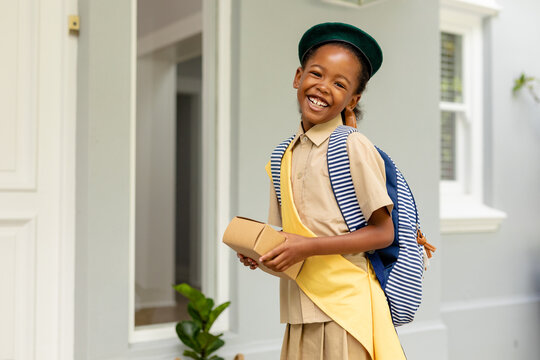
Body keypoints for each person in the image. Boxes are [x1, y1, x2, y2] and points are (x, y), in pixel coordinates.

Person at [238, 22, 406, 359]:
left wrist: (307, 247)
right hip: (300, 311)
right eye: (316, 74)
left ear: (352, 99)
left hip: (347, 310)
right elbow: (293, 240)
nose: (323, 87)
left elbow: (383, 233)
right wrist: (264, 253)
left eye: (339, 83)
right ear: (298, 77)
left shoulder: (353, 146)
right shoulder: (281, 156)